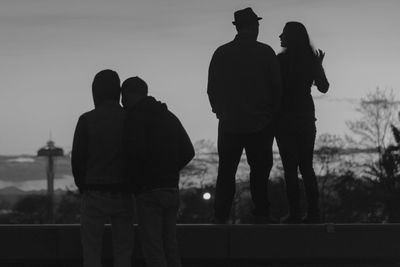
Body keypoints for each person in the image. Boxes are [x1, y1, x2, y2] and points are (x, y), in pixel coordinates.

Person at [207, 7, 282, 224]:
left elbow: (212, 87)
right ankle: (261, 213)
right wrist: (271, 115)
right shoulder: (265, 52)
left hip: (229, 122)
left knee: (226, 172)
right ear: (254, 26)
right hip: (261, 123)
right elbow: (276, 87)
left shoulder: (222, 53)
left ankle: (220, 215)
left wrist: (220, 111)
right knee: (259, 172)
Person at [122, 76, 194, 267]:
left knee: (153, 250)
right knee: (170, 245)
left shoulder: (135, 118)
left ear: (129, 94)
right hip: (170, 188)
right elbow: (188, 150)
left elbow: (133, 153)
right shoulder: (168, 116)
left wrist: (136, 181)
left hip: (148, 191)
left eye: (123, 96)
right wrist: (169, 169)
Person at [71, 69, 134, 267]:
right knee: (123, 252)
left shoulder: (87, 120)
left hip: (94, 190)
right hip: (123, 192)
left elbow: (78, 159)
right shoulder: (129, 118)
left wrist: (84, 187)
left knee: (91, 253)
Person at [276, 22, 329, 224]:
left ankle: (295, 213)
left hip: (285, 119)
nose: (279, 36)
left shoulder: (279, 61)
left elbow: (274, 88)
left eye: (283, 34)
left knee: (290, 169)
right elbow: (323, 87)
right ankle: (314, 212)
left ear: (291, 37)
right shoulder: (310, 60)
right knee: (306, 166)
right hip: (306, 118)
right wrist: (318, 65)